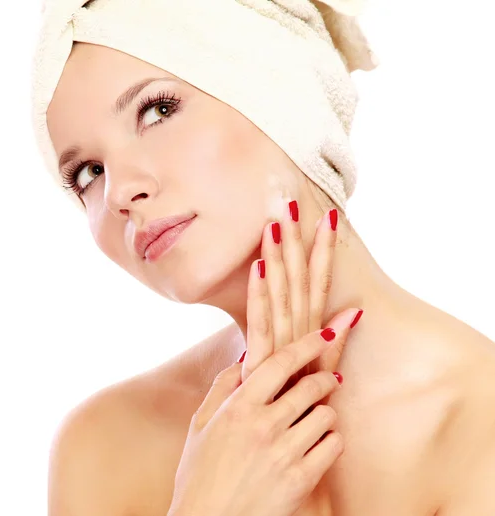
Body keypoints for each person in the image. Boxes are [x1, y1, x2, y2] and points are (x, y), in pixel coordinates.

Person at [32, 1, 495, 514]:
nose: (119, 193)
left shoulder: (481, 420)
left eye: (157, 110)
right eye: (89, 173)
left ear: (278, 94)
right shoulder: (106, 445)